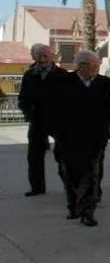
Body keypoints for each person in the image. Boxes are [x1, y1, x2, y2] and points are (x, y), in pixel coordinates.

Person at [53, 51, 110, 226]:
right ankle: (74, 206)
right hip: (69, 139)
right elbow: (54, 111)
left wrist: (104, 127)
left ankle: (88, 212)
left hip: (95, 139)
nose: (96, 69)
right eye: (93, 66)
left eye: (97, 66)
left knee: (92, 176)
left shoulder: (104, 83)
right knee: (70, 174)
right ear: (81, 66)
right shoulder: (63, 83)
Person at [18, 43, 69, 198]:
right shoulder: (29, 74)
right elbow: (23, 98)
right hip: (37, 120)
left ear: (52, 56)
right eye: (40, 55)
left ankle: (70, 185)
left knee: (63, 155)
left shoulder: (62, 74)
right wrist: (29, 112)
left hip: (58, 121)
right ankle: (37, 187)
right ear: (35, 57)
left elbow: (69, 98)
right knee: (34, 155)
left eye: (46, 55)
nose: (43, 58)